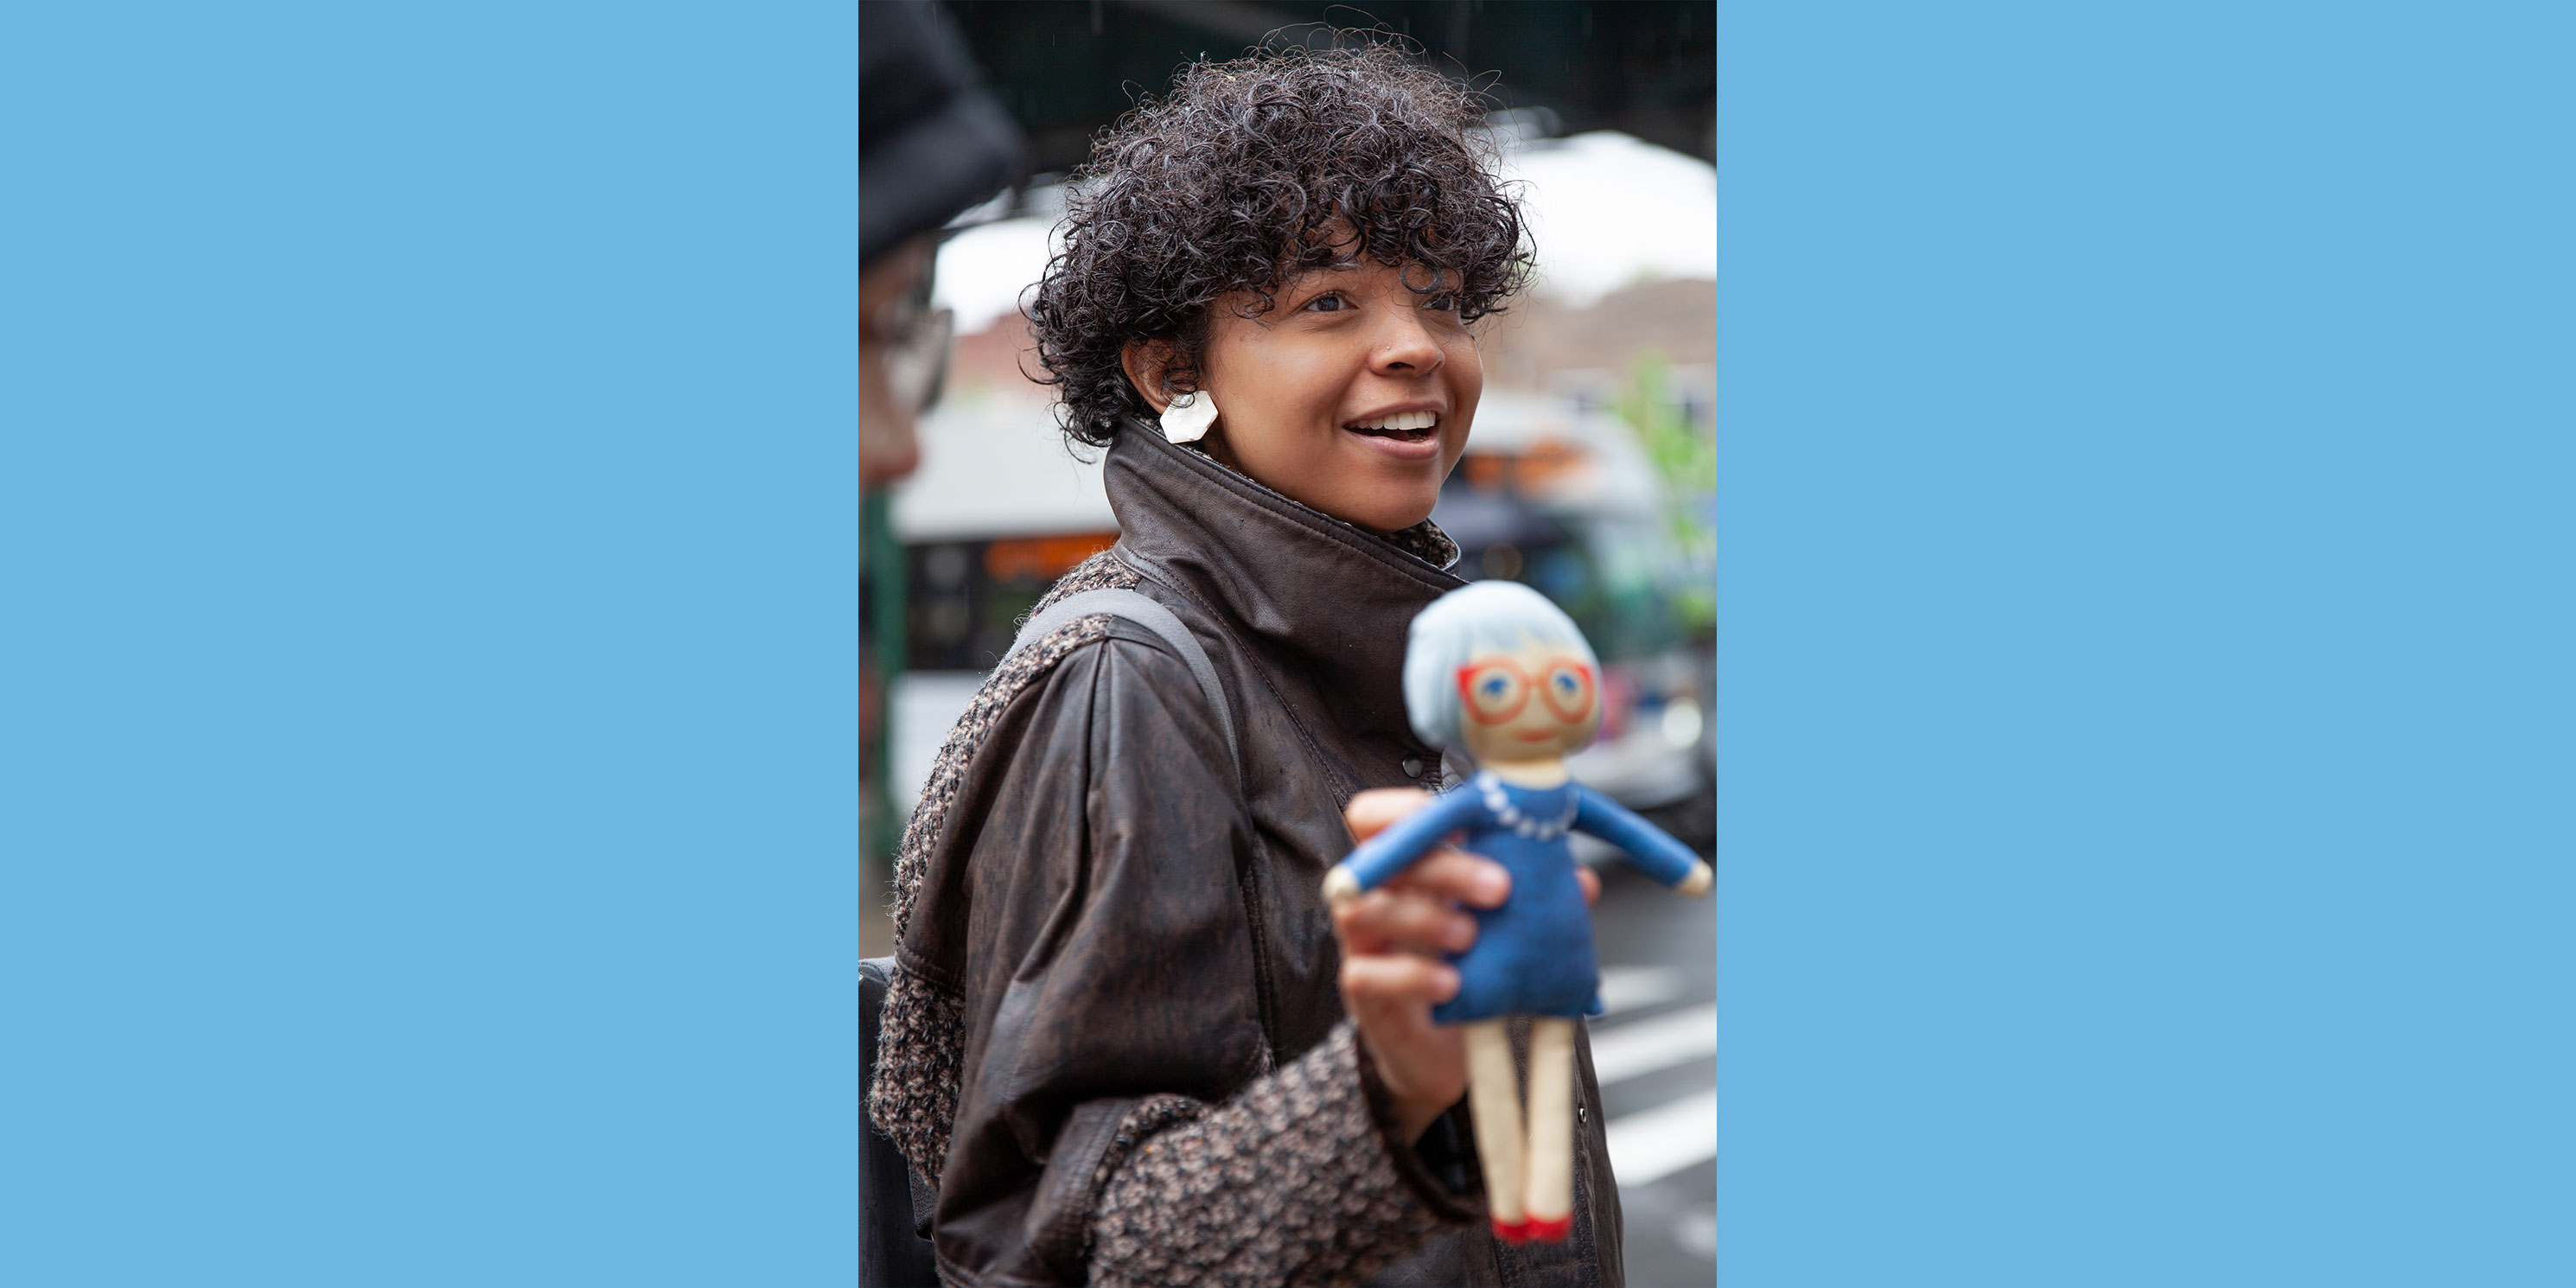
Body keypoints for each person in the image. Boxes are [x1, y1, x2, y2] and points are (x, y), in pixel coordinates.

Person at [870, 44, 1630, 1286]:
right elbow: (1057, 1245)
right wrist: (1384, 1099)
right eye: (1329, 302)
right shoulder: (1131, 678)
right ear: (1175, 373)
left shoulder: (1394, 653)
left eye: (1441, 295)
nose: (1417, 347)